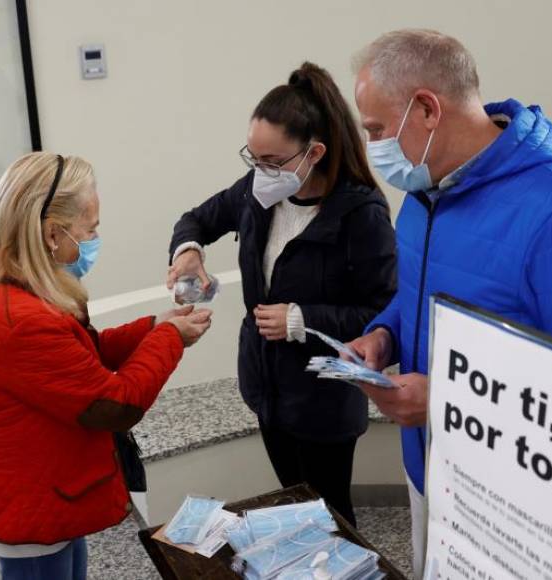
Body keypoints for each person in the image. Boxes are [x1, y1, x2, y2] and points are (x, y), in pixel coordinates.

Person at [346, 29, 552, 576]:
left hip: (510, 502)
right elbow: (416, 294)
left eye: (377, 129)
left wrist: (446, 403)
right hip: (428, 467)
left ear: (427, 110)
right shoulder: (424, 193)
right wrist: (384, 335)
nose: (374, 147)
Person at [0, 152, 212, 580]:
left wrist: (153, 327)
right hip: (29, 502)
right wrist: (170, 339)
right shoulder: (15, 319)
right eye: (89, 230)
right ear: (52, 234)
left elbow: (81, 355)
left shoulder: (18, 288)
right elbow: (114, 403)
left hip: (48, 486)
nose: (94, 238)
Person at [167, 62, 397, 526]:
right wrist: (188, 251)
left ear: (314, 153)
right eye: (253, 158)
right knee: (295, 510)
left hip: (324, 401)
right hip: (267, 389)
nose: (260, 172)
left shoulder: (362, 216)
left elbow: (382, 311)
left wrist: (301, 320)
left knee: (331, 520)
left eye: (272, 162)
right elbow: (196, 219)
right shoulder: (257, 192)